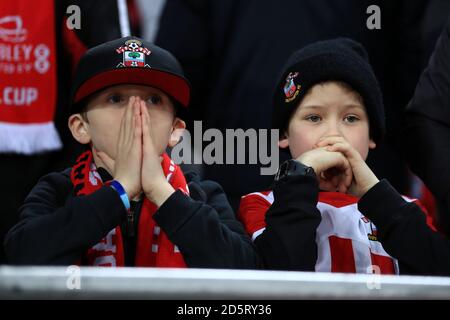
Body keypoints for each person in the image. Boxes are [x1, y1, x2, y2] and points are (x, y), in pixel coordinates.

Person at [4, 36, 259, 269]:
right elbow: (22, 255)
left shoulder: (202, 193)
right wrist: (120, 190)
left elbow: (244, 269)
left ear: (175, 131)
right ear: (81, 128)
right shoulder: (57, 189)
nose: (137, 113)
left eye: (154, 100)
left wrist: (162, 193)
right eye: (115, 99)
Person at [238, 38, 439, 275]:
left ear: (372, 134)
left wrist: (378, 198)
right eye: (314, 118)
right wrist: (299, 180)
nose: (333, 134)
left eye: (351, 118)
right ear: (283, 134)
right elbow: (280, 274)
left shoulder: (405, 210)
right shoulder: (262, 204)